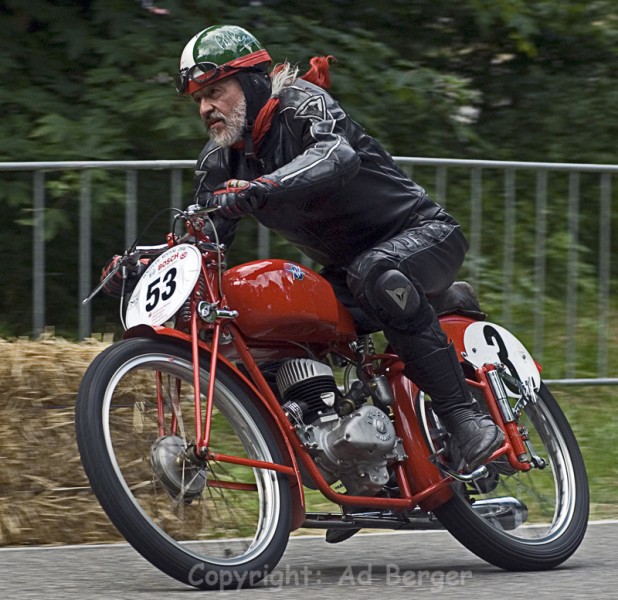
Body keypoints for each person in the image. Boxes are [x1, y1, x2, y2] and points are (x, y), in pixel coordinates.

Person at [176, 25, 503, 489]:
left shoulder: (299, 103)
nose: (207, 108)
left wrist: (261, 188)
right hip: (347, 273)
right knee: (267, 319)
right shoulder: (220, 160)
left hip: (422, 235)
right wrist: (149, 267)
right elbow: (204, 238)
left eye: (214, 91)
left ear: (250, 81)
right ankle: (352, 458)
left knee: (376, 272)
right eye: (198, 100)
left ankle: (466, 418)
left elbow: (336, 154)